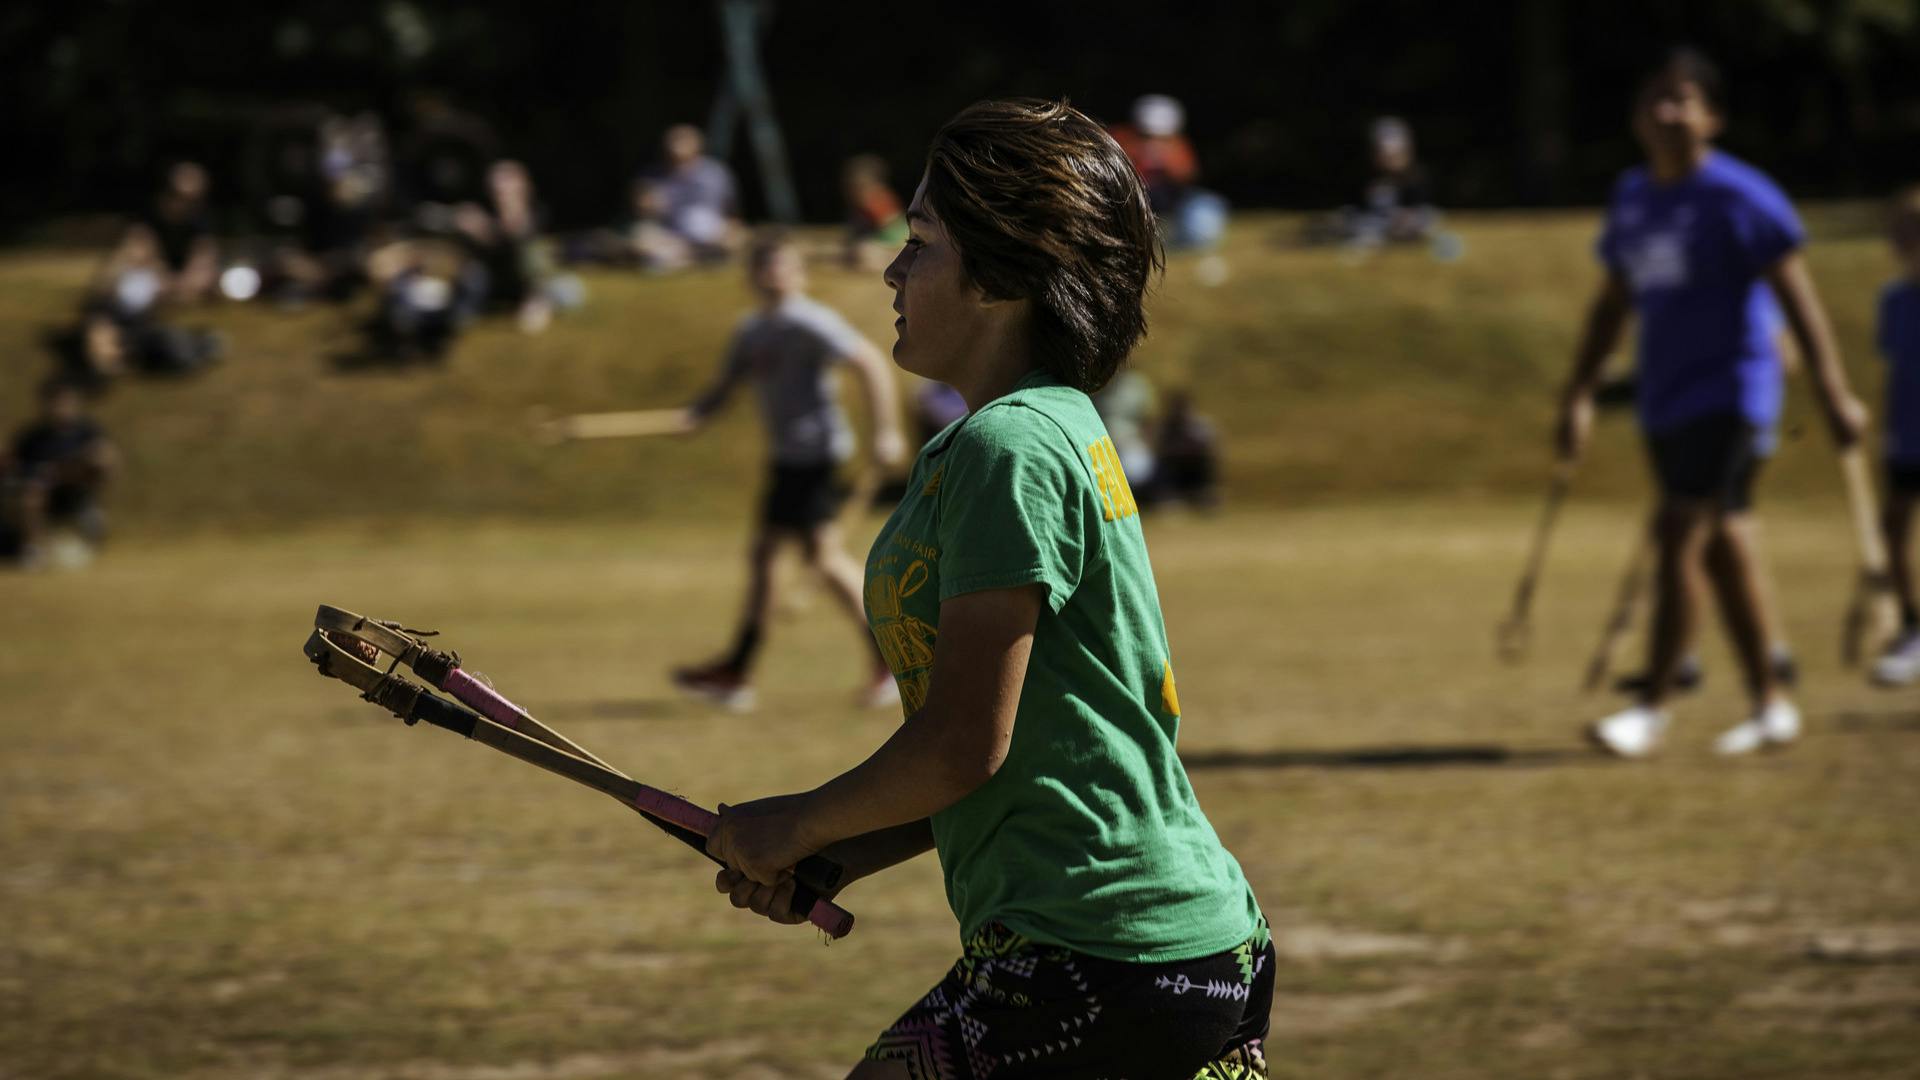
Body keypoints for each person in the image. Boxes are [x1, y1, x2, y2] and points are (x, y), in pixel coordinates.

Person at [704, 100, 1271, 1079]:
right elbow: (1021, 757)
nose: (891, 267)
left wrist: (795, 820)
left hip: (1100, 954)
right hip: (1168, 952)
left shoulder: (1013, 448)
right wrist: (836, 854)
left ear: (1003, 276)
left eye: (920, 241)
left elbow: (966, 742)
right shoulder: (1023, 435)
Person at [1558, 47, 1868, 758]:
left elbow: (1798, 297)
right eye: (1655, 98)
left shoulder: (1743, 197)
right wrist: (1578, 393)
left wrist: (1833, 391)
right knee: (1725, 543)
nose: (1667, 112)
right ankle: (1771, 701)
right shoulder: (1633, 198)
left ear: (1713, 117)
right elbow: (1612, 307)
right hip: (1665, 398)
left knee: (1678, 531)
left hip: (1735, 388)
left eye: (1683, 98)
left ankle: (1654, 706)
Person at [669, 230, 908, 711]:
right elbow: (725, 385)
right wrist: (697, 414)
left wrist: (886, 431)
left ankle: (892, 662)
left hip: (816, 455)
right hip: (787, 459)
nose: (775, 274)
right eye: (766, 265)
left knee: (824, 558)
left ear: (797, 272)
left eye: (783, 265)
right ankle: (736, 671)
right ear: (753, 274)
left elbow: (870, 363)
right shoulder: (752, 331)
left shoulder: (810, 322)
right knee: (772, 558)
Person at [1870, 187, 1920, 685]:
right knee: (1894, 535)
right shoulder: (1894, 300)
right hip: (1906, 440)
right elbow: (1896, 373)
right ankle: (1912, 630)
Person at [1, 378, 119, 569]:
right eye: (56, 402)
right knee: (31, 495)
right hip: (40, 495)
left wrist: (69, 470)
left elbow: (106, 458)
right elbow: (13, 466)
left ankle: (92, 511)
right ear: (46, 404)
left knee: (105, 459)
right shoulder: (32, 436)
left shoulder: (87, 431)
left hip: (74, 491)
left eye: (67, 401)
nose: (62, 407)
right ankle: (34, 548)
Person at [1109, 93, 1227, 251]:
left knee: (1206, 209)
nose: (1154, 141)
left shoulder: (1178, 147)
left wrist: (1168, 167)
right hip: (1131, 208)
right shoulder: (1119, 143)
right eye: (1147, 135)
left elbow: (1189, 178)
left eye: (1163, 136)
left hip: (1171, 207)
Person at [630, 124, 743, 270]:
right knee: (641, 238)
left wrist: (730, 231)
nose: (678, 146)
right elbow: (644, 215)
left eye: (683, 141)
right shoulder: (652, 176)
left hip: (711, 233)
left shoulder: (716, 173)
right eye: (674, 141)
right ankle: (695, 258)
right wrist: (648, 205)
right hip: (671, 235)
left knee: (735, 238)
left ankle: (686, 258)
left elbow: (731, 211)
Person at [842, 153, 910, 271]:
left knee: (864, 252)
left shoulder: (879, 202)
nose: (852, 193)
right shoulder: (860, 207)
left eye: (859, 187)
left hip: (895, 245)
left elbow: (895, 235)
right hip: (882, 244)